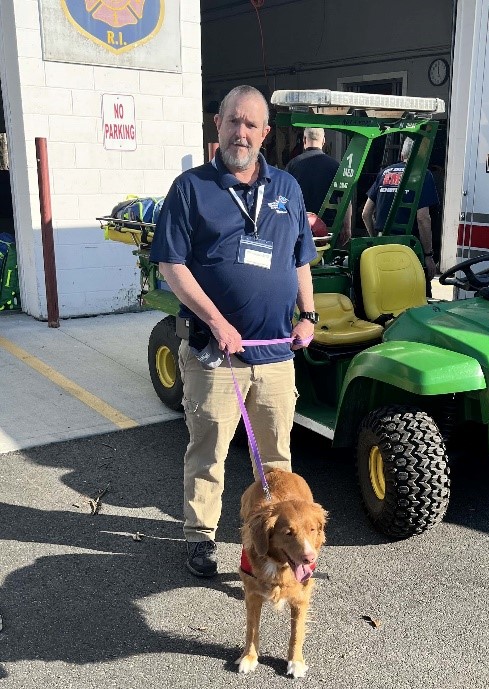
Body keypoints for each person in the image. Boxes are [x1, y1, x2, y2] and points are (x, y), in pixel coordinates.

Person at [149, 85, 318, 578]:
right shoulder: (191, 188)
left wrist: (307, 315)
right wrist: (217, 321)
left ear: (266, 133)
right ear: (217, 124)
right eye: (232, 122)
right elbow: (170, 264)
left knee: (277, 463)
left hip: (275, 355)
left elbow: (300, 260)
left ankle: (276, 543)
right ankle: (201, 537)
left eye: (251, 125)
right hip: (214, 355)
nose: (240, 133)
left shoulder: (287, 188)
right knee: (209, 451)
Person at [361, 137, 439, 295]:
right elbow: (423, 219)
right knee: (416, 299)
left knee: (387, 297)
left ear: (402, 155)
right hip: (409, 250)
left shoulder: (385, 172)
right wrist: (428, 255)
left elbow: (366, 213)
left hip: (383, 248)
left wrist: (376, 239)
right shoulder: (423, 174)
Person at [286, 127, 352, 247]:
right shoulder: (335, 166)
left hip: (300, 227)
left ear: (304, 140)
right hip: (329, 229)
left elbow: (284, 198)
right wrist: (347, 227)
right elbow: (346, 200)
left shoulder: (293, 165)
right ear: (323, 141)